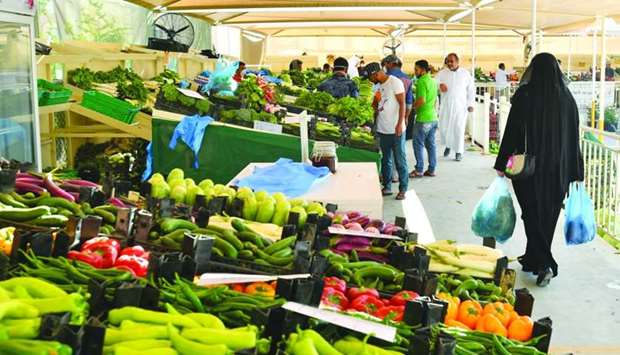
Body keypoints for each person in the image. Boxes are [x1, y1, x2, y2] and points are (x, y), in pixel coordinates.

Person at [494, 53, 584, 287]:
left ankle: (546, 264)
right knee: (548, 215)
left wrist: (502, 162)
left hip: (528, 169)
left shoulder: (525, 95)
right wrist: (576, 170)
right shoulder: (567, 98)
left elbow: (512, 131)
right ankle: (533, 258)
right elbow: (574, 137)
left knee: (531, 214)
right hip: (558, 170)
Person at [364, 62, 408, 200]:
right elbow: (377, 108)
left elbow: (403, 104)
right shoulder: (379, 87)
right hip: (383, 129)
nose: (370, 81)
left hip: (396, 130)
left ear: (375, 73)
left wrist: (400, 124)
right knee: (385, 160)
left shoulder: (395, 82)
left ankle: (403, 189)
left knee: (400, 160)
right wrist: (375, 102)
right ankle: (387, 187)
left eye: (370, 78)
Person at [437, 53, 475, 161]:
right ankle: (448, 146)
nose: (449, 63)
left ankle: (459, 151)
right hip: (446, 105)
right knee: (445, 128)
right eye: (447, 61)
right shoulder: (442, 73)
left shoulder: (465, 73)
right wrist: (439, 84)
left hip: (460, 106)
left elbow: (471, 89)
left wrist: (470, 104)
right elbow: (434, 82)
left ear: (457, 61)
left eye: (451, 61)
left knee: (458, 128)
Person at [409, 60, 439, 178]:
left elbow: (421, 100)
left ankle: (419, 169)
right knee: (431, 144)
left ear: (422, 70)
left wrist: (412, 108)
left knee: (418, 144)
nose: (415, 72)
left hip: (423, 119)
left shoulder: (421, 81)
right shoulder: (433, 80)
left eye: (416, 69)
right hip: (433, 118)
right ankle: (431, 169)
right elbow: (434, 99)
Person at [383, 55, 414, 125]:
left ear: (390, 64)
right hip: (400, 118)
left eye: (385, 64)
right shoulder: (408, 79)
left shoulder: (385, 77)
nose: (385, 66)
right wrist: (405, 117)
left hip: (385, 118)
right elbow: (409, 103)